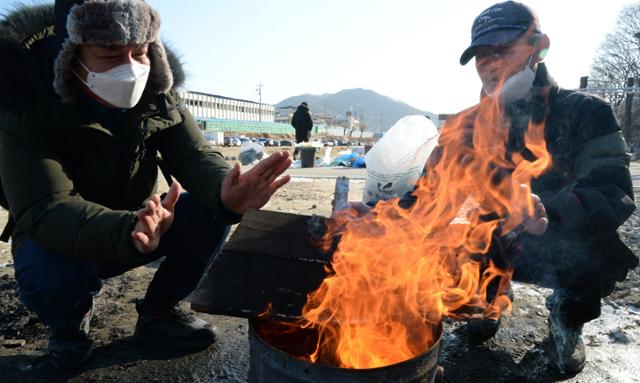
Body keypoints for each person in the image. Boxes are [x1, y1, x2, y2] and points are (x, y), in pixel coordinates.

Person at [0, 0, 291, 369]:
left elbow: (194, 156)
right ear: (70, 54)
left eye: (139, 53)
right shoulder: (23, 99)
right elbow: (46, 207)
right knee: (48, 272)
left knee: (212, 207)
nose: (130, 69)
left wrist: (226, 191)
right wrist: (127, 229)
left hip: (143, 220)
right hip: (63, 231)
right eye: (109, 55)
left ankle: (159, 314)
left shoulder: (156, 87)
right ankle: (69, 329)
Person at [414, 1, 637, 375]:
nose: (490, 64)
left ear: (539, 46)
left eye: (503, 49)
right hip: (493, 242)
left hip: (561, 245)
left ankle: (566, 318)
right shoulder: (463, 126)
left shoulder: (586, 112)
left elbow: (614, 193)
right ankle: (488, 297)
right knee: (448, 230)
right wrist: (377, 217)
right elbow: (426, 196)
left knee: (599, 252)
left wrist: (548, 208)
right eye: (481, 56)